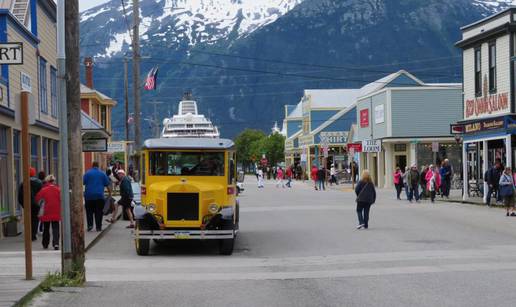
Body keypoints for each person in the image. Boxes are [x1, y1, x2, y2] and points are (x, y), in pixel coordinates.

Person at [83, 161, 111, 232]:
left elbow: (83, 182)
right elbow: (107, 184)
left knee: (89, 211)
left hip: (88, 196)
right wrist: (110, 193)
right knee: (99, 212)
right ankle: (98, 227)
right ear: (98, 165)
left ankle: (90, 225)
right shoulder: (102, 173)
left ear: (92, 165)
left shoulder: (87, 173)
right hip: (99, 196)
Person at [35, 175, 61, 250]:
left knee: (46, 227)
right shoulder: (58, 189)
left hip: (46, 211)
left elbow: (37, 199)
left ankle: (45, 243)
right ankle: (56, 243)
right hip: (56, 210)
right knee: (55, 227)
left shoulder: (43, 190)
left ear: (47, 181)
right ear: (54, 181)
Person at [18, 167, 43, 241]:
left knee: (28, 219)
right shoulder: (39, 182)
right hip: (36, 204)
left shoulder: (23, 183)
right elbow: (42, 194)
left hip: (27, 204)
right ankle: (33, 234)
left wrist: (23, 204)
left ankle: (29, 234)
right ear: (34, 173)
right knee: (35, 219)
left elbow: (20, 196)